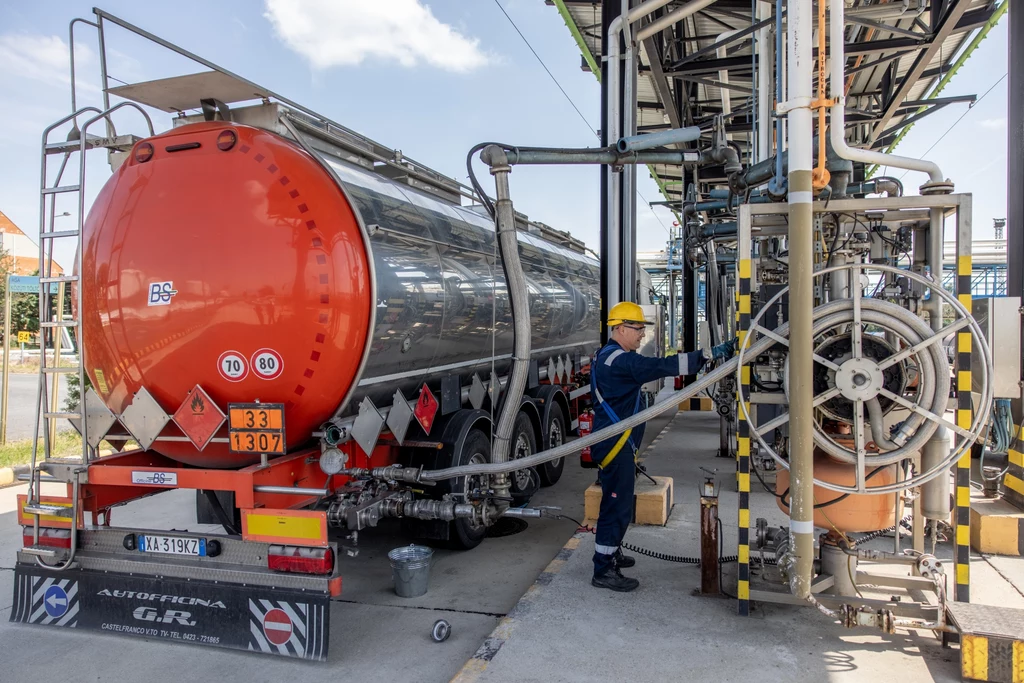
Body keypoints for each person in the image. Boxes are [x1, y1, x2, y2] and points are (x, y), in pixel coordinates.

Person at [590, 301, 735, 592]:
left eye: (643, 328)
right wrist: (709, 354)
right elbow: (661, 366)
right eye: (637, 328)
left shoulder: (608, 355)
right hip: (615, 444)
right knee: (616, 506)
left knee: (618, 501)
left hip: (617, 442)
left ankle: (612, 550)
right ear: (619, 328)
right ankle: (603, 569)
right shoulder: (620, 360)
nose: (642, 334)